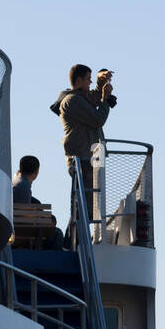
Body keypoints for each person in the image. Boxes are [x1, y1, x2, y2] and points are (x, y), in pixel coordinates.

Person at [50, 64, 116, 227]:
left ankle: (75, 240)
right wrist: (106, 99)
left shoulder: (78, 98)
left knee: (88, 207)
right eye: (88, 79)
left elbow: (92, 98)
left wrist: (101, 84)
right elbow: (97, 119)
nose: (90, 82)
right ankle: (72, 242)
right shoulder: (72, 101)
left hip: (88, 158)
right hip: (83, 159)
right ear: (79, 80)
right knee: (82, 207)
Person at [12, 155, 64, 249]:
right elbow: (24, 218)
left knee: (39, 205)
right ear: (36, 172)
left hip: (15, 227)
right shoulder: (23, 186)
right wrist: (43, 219)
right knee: (57, 233)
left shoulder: (16, 180)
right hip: (21, 233)